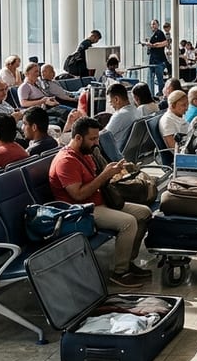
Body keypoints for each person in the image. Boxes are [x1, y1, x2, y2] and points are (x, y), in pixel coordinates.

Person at [49, 117, 152, 288]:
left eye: (97, 138)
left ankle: (127, 260)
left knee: (144, 213)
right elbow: (78, 195)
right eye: (92, 139)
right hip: (82, 210)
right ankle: (120, 272)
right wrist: (104, 175)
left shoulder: (85, 154)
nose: (96, 143)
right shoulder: (66, 161)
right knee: (128, 223)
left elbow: (95, 182)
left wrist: (111, 173)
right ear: (78, 138)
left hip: (99, 202)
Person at [103, 83, 135, 150]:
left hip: (116, 153)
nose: (111, 105)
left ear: (116, 99)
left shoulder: (120, 115)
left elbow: (103, 136)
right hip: (131, 150)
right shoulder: (136, 111)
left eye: (111, 102)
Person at [143, 19, 168, 96]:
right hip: (153, 60)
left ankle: (161, 94)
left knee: (159, 79)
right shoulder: (152, 35)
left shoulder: (160, 33)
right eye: (151, 24)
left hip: (159, 60)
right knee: (150, 78)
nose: (152, 26)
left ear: (158, 25)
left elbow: (165, 43)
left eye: (154, 24)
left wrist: (153, 45)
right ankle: (151, 94)